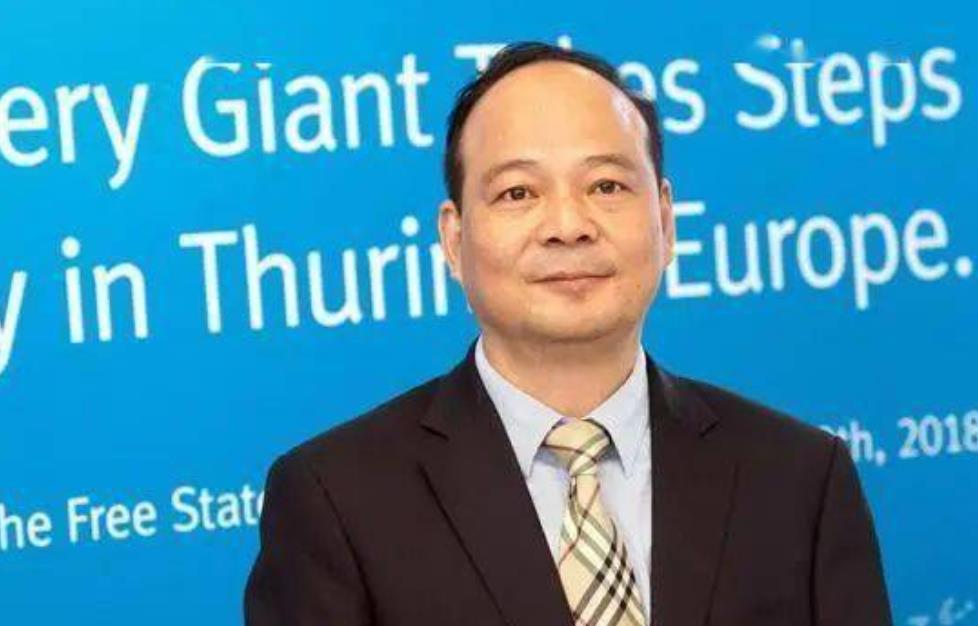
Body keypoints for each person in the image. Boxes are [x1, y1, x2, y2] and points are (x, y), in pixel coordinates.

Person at [244, 41, 893, 626]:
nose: (568, 225)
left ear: (666, 219)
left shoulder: (800, 479)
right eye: (518, 193)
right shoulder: (336, 500)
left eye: (606, 185)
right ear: (453, 238)